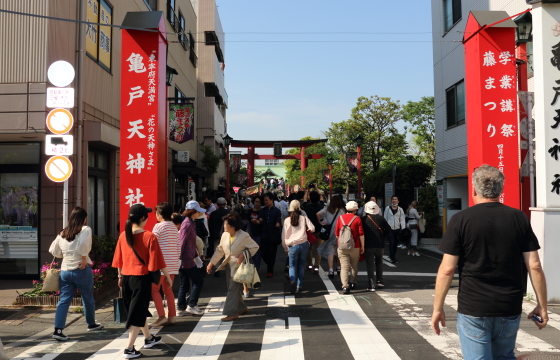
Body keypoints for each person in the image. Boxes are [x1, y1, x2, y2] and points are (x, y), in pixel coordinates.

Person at [431, 165, 548, 360]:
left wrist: (437, 308)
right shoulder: (518, 218)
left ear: (474, 190)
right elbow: (534, 265)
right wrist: (541, 305)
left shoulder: (461, 220)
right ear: (501, 190)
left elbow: (446, 270)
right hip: (509, 306)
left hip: (474, 308)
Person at [112, 204, 172, 359]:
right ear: (143, 218)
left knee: (138, 310)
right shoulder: (149, 236)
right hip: (141, 279)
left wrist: (119, 277)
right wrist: (167, 277)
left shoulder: (123, 236)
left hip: (126, 278)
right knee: (137, 314)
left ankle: (148, 337)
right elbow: (158, 260)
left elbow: (118, 260)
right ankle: (129, 348)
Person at [49, 207, 102, 341]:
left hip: (65, 270)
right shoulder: (85, 229)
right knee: (87, 298)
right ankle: (91, 323)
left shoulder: (62, 232)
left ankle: (58, 329)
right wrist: (84, 258)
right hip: (81, 269)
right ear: (83, 218)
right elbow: (83, 245)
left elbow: (54, 249)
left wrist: (66, 255)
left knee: (64, 300)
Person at [207, 212, 259, 321]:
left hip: (239, 266)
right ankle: (241, 307)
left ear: (233, 227)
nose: (223, 226)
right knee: (232, 288)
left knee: (232, 288)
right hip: (229, 266)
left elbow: (255, 247)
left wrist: (243, 255)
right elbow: (220, 250)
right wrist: (211, 263)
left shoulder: (244, 235)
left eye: (225, 224)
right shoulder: (225, 235)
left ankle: (231, 313)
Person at [150, 203, 180, 327]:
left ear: (159, 214)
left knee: (154, 289)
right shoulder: (174, 227)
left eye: (156, 213)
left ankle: (161, 316)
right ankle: (172, 316)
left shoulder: (158, 227)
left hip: (161, 264)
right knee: (168, 290)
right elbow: (178, 245)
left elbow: (152, 244)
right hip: (173, 263)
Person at [177, 201, 206, 316]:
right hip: (187, 259)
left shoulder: (188, 222)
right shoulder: (188, 224)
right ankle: (192, 305)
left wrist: (196, 256)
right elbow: (182, 242)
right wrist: (180, 257)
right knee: (198, 281)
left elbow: (189, 243)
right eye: (198, 211)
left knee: (184, 284)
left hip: (186, 258)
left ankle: (180, 308)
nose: (199, 213)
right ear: (192, 212)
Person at [282, 200, 314, 294]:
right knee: (301, 266)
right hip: (304, 244)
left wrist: (285, 247)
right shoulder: (303, 218)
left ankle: (292, 281)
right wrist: (307, 229)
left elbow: (284, 236)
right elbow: (312, 228)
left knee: (292, 266)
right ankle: (299, 286)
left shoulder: (287, 220)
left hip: (292, 245)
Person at [335, 201, 364, 294]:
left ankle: (345, 287)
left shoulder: (340, 218)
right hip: (355, 246)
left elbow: (336, 233)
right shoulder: (357, 219)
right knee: (354, 265)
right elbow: (361, 234)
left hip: (342, 246)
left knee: (344, 267)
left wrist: (341, 242)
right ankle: (353, 282)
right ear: (355, 210)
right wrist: (363, 246)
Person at [361, 201, 391, 291]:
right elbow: (389, 229)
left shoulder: (363, 219)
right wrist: (383, 236)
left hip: (368, 245)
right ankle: (380, 281)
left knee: (370, 265)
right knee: (379, 263)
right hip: (380, 244)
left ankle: (371, 284)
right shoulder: (381, 218)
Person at [317, 195, 345, 279]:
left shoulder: (326, 209)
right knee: (339, 251)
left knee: (331, 252)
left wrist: (321, 222)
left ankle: (330, 270)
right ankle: (339, 268)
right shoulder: (341, 211)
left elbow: (318, 214)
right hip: (339, 233)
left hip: (330, 233)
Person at [259, 192, 283, 278]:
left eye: (266, 200)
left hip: (273, 235)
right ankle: (270, 264)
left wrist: (278, 224)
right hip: (264, 234)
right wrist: (258, 221)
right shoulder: (263, 210)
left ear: (271, 200)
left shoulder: (276, 211)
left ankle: (270, 270)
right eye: (264, 200)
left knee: (272, 253)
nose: (265, 202)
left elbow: (278, 221)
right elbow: (260, 219)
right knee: (263, 253)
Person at [302, 191, 325, 275]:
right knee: (318, 249)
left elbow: (304, 200)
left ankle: (310, 264)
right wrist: (316, 189)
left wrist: (307, 190)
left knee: (309, 248)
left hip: (309, 229)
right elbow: (322, 198)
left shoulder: (307, 206)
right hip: (319, 229)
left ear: (309, 198)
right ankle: (316, 266)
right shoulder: (321, 206)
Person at [207, 198, 231, 266]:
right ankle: (227, 266)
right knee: (228, 250)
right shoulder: (228, 212)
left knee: (217, 251)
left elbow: (210, 225)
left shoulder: (213, 214)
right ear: (225, 204)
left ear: (217, 204)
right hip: (227, 234)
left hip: (216, 235)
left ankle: (217, 268)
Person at [383, 196, 406, 264]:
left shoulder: (400, 209)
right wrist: (385, 227)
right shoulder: (387, 208)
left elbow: (402, 219)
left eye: (395, 199)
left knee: (395, 243)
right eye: (393, 199)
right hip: (389, 228)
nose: (394, 200)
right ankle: (392, 257)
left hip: (397, 228)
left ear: (398, 201)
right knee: (391, 243)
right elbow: (385, 218)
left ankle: (393, 256)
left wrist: (403, 228)